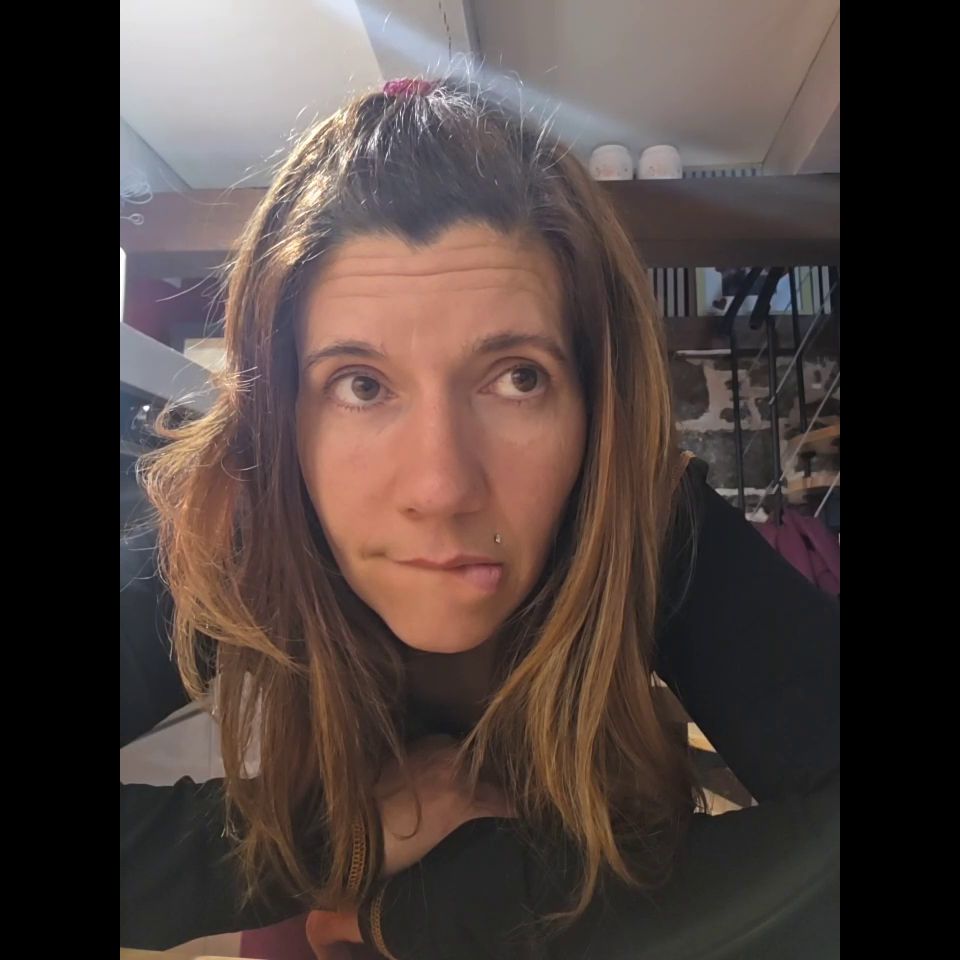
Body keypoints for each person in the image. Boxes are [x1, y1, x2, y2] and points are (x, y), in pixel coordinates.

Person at [121, 78, 839, 959]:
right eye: (361, 385)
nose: (440, 486)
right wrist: (339, 836)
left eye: (518, 377)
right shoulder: (243, 529)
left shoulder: (641, 516)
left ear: (596, 408)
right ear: (280, 422)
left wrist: (452, 907)